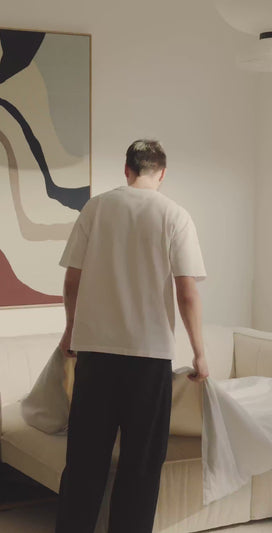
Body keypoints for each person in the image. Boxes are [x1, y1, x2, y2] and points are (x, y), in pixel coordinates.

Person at [55, 139, 209, 533]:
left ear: (126, 170)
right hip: (149, 358)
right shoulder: (174, 215)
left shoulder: (96, 208)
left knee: (85, 460)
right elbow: (187, 292)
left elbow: (72, 281)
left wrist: (70, 330)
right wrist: (199, 352)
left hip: (96, 354)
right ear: (162, 173)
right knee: (141, 466)